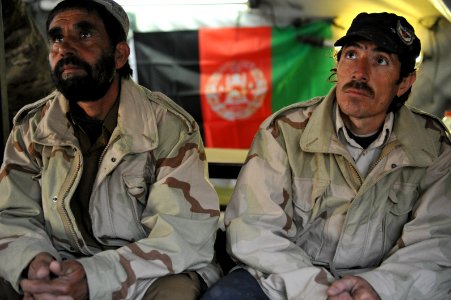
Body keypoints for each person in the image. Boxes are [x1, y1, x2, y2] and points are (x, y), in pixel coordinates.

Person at [202, 12, 451, 300]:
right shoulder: (285, 131)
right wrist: (321, 290)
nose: (360, 72)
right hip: (287, 280)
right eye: (351, 55)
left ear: (405, 82)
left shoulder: (432, 146)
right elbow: (253, 228)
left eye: (380, 60)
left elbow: (436, 243)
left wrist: (378, 288)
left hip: (384, 284)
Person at [0, 0, 220, 299]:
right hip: (61, 263)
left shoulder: (169, 127)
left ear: (119, 54)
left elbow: (183, 234)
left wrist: (93, 277)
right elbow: (12, 215)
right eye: (56, 38)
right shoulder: (31, 128)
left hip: (147, 270)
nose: (64, 48)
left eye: (84, 34)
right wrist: (34, 264)